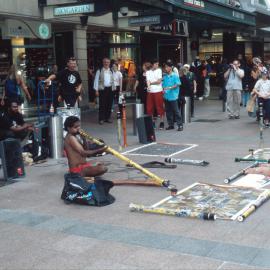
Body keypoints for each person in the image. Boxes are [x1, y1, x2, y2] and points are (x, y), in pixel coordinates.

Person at [94, 58, 115, 125]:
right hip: (102, 89)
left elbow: (114, 80)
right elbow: (96, 80)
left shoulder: (111, 70)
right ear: (103, 63)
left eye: (108, 62)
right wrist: (96, 90)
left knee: (109, 104)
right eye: (105, 62)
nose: (106, 63)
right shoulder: (99, 71)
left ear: (109, 63)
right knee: (102, 104)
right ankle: (101, 119)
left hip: (110, 89)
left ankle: (107, 118)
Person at [163, 61, 183, 131]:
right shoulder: (165, 76)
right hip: (166, 96)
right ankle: (170, 124)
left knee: (176, 111)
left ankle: (180, 125)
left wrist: (171, 87)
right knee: (168, 111)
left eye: (167, 67)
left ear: (170, 67)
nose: (165, 68)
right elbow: (163, 85)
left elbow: (178, 84)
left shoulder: (175, 75)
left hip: (173, 96)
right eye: (165, 67)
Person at [146, 59, 165, 129]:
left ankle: (162, 122)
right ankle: (152, 122)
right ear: (152, 64)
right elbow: (148, 80)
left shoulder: (159, 70)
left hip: (158, 91)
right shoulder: (148, 72)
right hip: (150, 92)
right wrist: (148, 86)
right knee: (150, 107)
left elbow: (159, 81)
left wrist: (151, 83)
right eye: (156, 64)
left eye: (157, 64)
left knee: (159, 106)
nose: (157, 65)